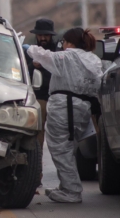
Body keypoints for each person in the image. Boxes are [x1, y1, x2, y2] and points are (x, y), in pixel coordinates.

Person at [27, 27, 102, 203]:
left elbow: (43, 55)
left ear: (69, 43)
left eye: (64, 42)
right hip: (82, 108)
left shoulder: (67, 56)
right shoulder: (93, 59)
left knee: (60, 149)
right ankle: (67, 186)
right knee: (68, 147)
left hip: (65, 108)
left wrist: (26, 48)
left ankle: (72, 191)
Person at [23, 18, 57, 183]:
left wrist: (43, 65)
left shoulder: (58, 51)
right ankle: (36, 175)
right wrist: (32, 66)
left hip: (58, 99)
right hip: (39, 99)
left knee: (61, 142)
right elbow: (23, 74)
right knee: (36, 139)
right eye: (40, 35)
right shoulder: (30, 52)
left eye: (46, 35)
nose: (43, 38)